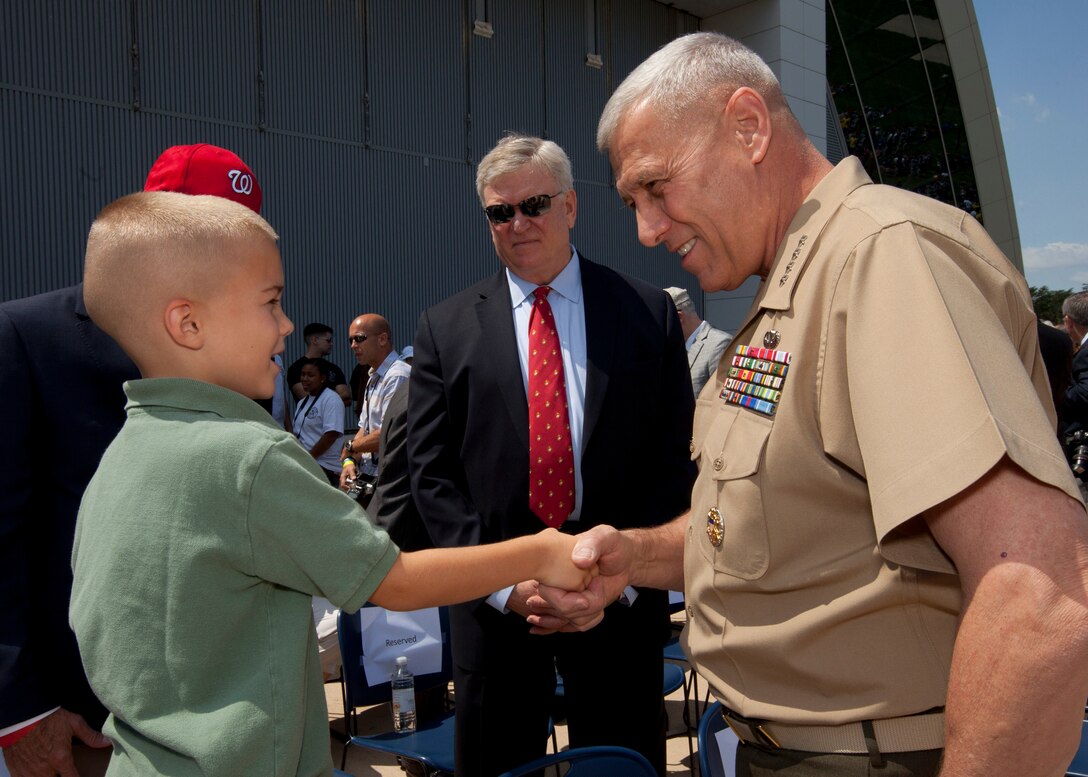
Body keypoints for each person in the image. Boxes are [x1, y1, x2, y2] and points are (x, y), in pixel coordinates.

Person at [533, 32, 1088, 777]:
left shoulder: (883, 257)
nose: (647, 229)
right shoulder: (792, 291)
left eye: (657, 187)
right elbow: (765, 529)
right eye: (634, 202)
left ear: (749, 127)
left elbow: (1042, 590)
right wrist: (634, 556)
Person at [68, 190, 594, 777]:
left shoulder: (122, 453)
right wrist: (543, 550)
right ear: (187, 322)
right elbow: (392, 581)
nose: (288, 325)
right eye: (271, 302)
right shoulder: (249, 458)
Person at [406, 134, 696, 776]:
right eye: (499, 212)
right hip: (498, 616)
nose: (518, 223)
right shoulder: (444, 328)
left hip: (618, 613)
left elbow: (675, 461)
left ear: (570, 205)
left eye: (533, 203)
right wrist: (508, 585)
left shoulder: (645, 313)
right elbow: (431, 475)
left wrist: (613, 578)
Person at [0, 142, 262, 777]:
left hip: (221, 710)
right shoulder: (29, 338)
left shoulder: (244, 346)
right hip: (80, 722)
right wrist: (21, 709)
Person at [339, 314, 411, 504]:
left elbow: (388, 434)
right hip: (372, 476)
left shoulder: (398, 376)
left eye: (359, 338)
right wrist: (349, 462)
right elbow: (364, 427)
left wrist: (350, 447)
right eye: (351, 340)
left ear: (382, 339)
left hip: (393, 480)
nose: (353, 345)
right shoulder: (374, 377)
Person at [664, 285, 733, 397]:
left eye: (661, 323)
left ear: (679, 318)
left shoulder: (719, 344)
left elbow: (721, 401)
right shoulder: (674, 349)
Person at [292, 359, 345, 486]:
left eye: (310, 375)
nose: (305, 378)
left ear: (322, 378)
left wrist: (308, 458)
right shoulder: (302, 402)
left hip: (324, 468)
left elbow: (331, 435)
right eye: (303, 374)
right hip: (307, 465)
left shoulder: (331, 399)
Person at [286, 323, 350, 406]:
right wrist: (335, 396)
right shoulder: (296, 368)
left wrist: (320, 396)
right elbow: (306, 397)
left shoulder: (333, 368)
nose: (331, 344)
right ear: (315, 340)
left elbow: (346, 397)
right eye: (328, 340)